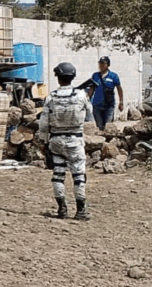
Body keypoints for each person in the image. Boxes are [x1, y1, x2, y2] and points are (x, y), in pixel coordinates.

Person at [38, 62, 93, 220]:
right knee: (78, 175)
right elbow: (89, 112)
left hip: (56, 140)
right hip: (75, 140)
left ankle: (62, 208)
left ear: (58, 78)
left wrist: (43, 142)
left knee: (58, 175)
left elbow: (43, 123)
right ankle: (81, 210)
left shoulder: (51, 97)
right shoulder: (81, 95)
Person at [88, 56, 124, 130]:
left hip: (109, 105)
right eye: (100, 64)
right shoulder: (95, 76)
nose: (101, 66)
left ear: (107, 65)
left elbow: (119, 89)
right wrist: (87, 101)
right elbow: (91, 89)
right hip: (97, 105)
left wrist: (121, 102)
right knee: (99, 127)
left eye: (103, 64)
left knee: (108, 127)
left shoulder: (113, 76)